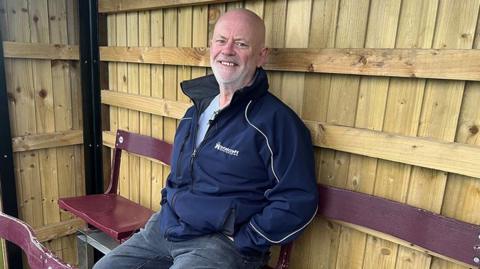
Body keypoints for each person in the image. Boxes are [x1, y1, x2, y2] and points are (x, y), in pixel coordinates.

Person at [94, 8, 318, 269]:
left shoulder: (277, 123)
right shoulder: (195, 112)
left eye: (241, 43)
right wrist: (167, 205)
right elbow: (178, 175)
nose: (228, 50)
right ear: (211, 46)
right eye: (221, 40)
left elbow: (297, 200)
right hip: (167, 228)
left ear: (261, 56)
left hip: (222, 245)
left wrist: (247, 239)